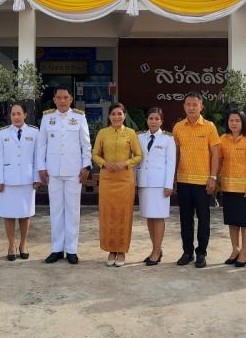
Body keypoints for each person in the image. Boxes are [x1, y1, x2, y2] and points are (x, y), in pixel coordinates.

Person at [37, 86, 91, 265]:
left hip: (74, 171)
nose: (62, 101)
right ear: (54, 100)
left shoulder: (79, 117)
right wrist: (41, 167)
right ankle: (57, 249)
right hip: (53, 171)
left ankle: (72, 249)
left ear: (71, 99)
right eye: (59, 97)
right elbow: (41, 144)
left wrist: (86, 166)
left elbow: (85, 144)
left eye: (65, 97)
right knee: (56, 210)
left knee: (73, 210)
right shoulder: (47, 117)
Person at [172, 92, 220, 268]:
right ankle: (187, 252)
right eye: (188, 104)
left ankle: (201, 253)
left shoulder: (209, 127)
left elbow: (215, 154)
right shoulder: (178, 127)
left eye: (195, 104)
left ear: (201, 106)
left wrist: (213, 177)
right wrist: (172, 177)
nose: (191, 107)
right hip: (183, 180)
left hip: (203, 182)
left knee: (203, 219)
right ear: (184, 106)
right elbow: (175, 154)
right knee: (185, 219)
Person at [92, 102, 143, 268]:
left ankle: (121, 250)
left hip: (125, 180)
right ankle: (111, 250)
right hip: (107, 180)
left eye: (120, 114)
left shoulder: (130, 133)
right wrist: (104, 163)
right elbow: (94, 154)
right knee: (108, 215)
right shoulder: (102, 133)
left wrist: (125, 163)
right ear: (109, 116)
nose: (116, 117)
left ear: (124, 116)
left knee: (123, 214)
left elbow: (139, 156)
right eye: (113, 114)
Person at [0, 102, 40, 261]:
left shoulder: (34, 132)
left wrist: (37, 177)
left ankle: (23, 244)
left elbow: (37, 157)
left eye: (19, 114)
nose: (16, 117)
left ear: (25, 115)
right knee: (8, 214)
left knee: (25, 214)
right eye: (13, 114)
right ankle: (11, 244)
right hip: (8, 180)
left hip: (27, 179)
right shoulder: (2, 133)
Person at [218, 109, 246, 267]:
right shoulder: (223, 139)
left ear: (243, 122)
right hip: (228, 187)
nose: (234, 123)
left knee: (245, 222)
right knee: (232, 221)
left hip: (244, 189)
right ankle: (235, 249)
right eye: (231, 120)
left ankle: (244, 251)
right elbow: (219, 160)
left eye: (237, 120)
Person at [136, 107, 176, 266]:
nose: (154, 121)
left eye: (157, 119)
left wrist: (169, 185)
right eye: (151, 118)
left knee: (158, 217)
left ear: (161, 121)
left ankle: (156, 250)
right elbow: (136, 161)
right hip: (144, 183)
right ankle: (156, 249)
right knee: (149, 216)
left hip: (160, 184)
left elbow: (171, 163)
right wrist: (134, 182)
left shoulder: (168, 139)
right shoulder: (139, 137)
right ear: (147, 120)